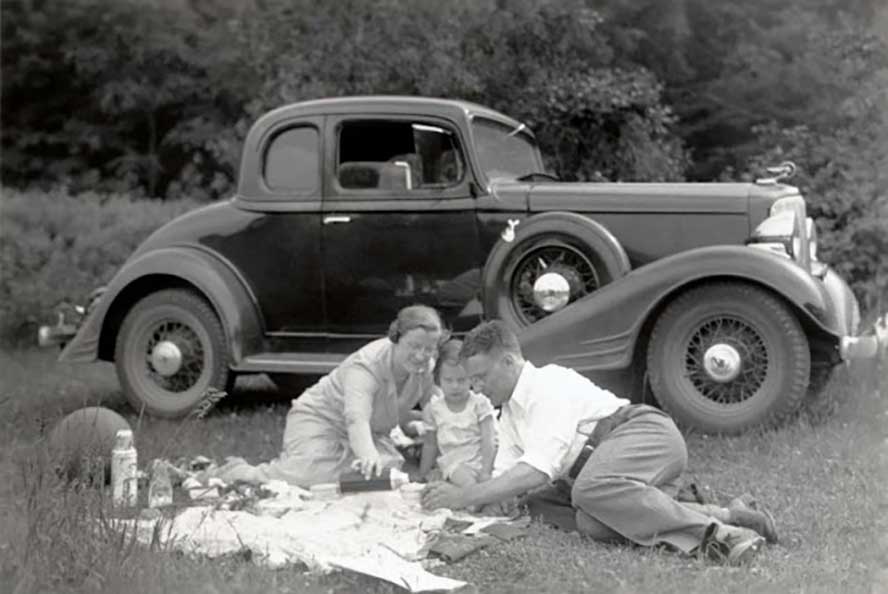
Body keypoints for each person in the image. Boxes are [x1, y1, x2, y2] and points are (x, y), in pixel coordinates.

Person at [421, 320, 777, 564]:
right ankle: (733, 515)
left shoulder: (548, 384)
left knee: (588, 491)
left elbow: (537, 468)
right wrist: (472, 499)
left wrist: (468, 496)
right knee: (575, 517)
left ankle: (722, 536)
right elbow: (507, 480)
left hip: (642, 433)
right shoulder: (510, 413)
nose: (477, 388)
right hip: (604, 469)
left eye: (481, 377)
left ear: (510, 361)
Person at [216, 304, 444, 487]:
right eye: (414, 346)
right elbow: (356, 419)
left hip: (370, 431)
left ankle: (364, 462)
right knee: (308, 476)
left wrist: (441, 415)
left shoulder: (425, 366)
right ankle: (244, 472)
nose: (421, 355)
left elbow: (428, 397)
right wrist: (367, 455)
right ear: (396, 338)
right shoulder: (366, 367)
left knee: (389, 474)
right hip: (320, 420)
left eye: (429, 348)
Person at [416, 339, 497, 487]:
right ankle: (475, 499)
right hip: (454, 464)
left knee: (497, 480)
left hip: (482, 459)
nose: (455, 386)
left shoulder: (479, 403)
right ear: (438, 380)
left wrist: (486, 471)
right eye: (448, 380)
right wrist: (424, 473)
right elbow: (430, 444)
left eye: (461, 380)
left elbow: (489, 440)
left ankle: (481, 497)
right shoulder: (434, 409)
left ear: (472, 378)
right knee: (466, 481)